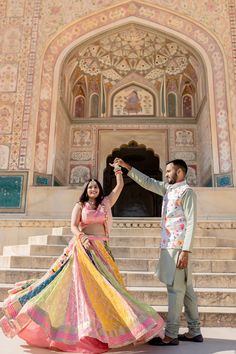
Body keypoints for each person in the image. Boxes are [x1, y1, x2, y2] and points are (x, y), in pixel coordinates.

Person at [0, 162, 164, 353]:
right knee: (81, 290)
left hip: (101, 250)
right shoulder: (80, 205)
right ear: (86, 190)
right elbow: (73, 226)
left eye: (96, 186)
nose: (93, 189)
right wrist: (83, 237)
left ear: (100, 190)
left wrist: (119, 170)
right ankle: (81, 331)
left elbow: (119, 187)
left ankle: (114, 328)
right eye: (90, 187)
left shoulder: (105, 204)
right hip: (83, 249)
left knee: (108, 289)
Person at [114, 157, 203, 346]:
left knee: (175, 289)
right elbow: (148, 182)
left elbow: (192, 222)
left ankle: (170, 335)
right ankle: (195, 331)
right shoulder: (169, 189)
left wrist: (186, 250)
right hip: (170, 245)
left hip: (178, 248)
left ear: (180, 172)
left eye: (169, 171)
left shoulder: (187, 192)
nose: (167, 174)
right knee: (186, 289)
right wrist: (127, 167)